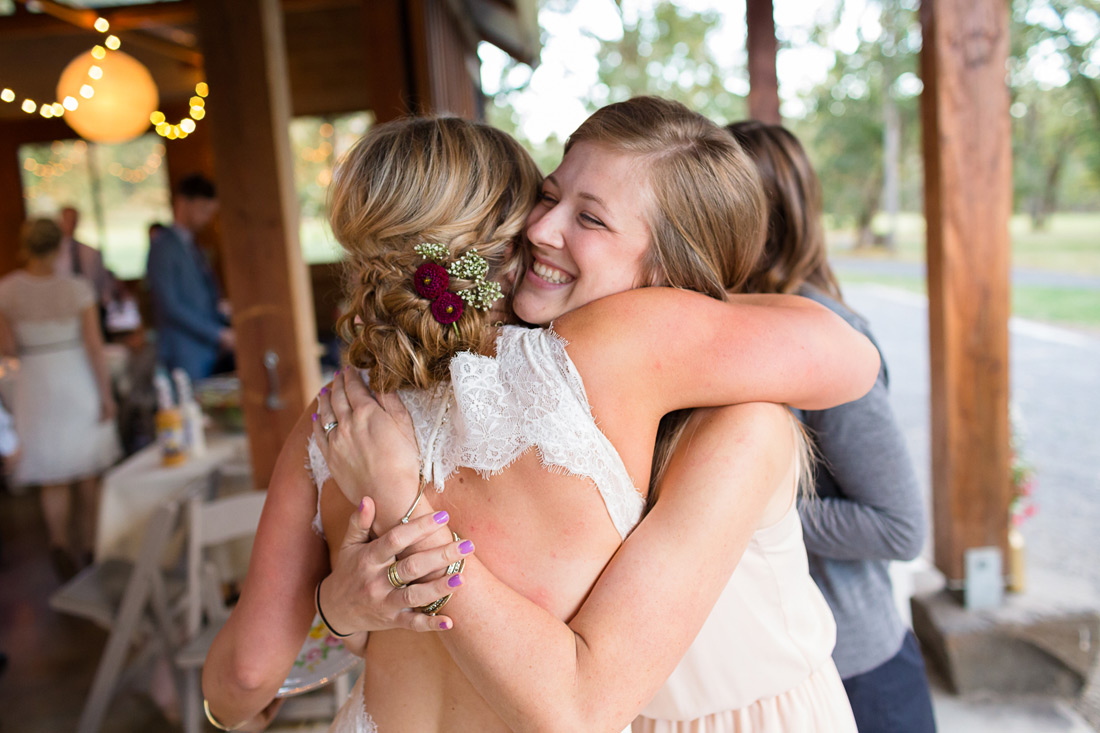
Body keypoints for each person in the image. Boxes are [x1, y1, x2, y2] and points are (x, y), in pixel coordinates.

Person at [202, 108, 878, 731]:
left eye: (591, 218)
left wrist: (338, 607)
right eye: (548, 197)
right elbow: (849, 354)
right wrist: (343, 610)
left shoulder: (334, 417)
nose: (542, 228)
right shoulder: (611, 359)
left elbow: (242, 680)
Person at [727, 120, 936, 732]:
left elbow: (899, 527)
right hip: (775, 672)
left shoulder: (824, 336)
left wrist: (729, 511)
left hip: (857, 674)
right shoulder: (727, 324)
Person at [0, 219, 120, 579]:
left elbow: (6, 348)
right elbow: (95, 348)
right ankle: (92, 545)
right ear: (59, 248)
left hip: (35, 381)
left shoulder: (8, 290)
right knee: (86, 470)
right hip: (75, 376)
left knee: (52, 474)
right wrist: (106, 395)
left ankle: (58, 542)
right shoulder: (77, 289)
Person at [146, 174, 234, 381]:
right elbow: (170, 306)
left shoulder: (194, 245)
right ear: (183, 203)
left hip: (206, 349)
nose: (207, 219)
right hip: (183, 350)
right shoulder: (162, 247)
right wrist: (217, 333)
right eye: (204, 211)